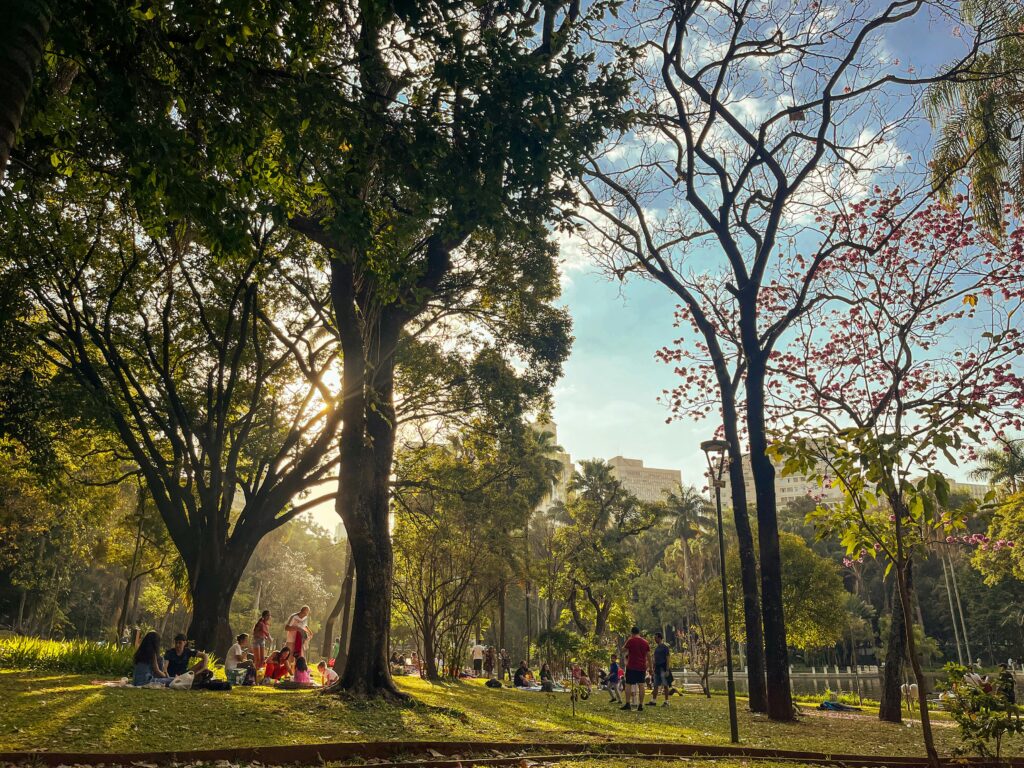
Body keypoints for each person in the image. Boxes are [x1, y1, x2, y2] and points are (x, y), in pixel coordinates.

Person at [620, 626, 651, 712]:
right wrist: (651, 668)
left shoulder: (631, 640)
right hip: (641, 667)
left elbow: (622, 650)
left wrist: (628, 640)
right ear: (639, 632)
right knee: (641, 685)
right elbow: (649, 656)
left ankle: (627, 704)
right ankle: (640, 705)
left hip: (632, 666)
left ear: (632, 633)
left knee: (628, 684)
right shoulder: (645, 642)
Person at [651, 632, 672, 706]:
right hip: (657, 668)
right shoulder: (656, 648)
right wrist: (653, 668)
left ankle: (666, 701)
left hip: (663, 668)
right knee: (655, 685)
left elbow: (668, 658)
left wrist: (667, 670)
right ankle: (653, 701)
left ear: (660, 638)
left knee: (665, 685)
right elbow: (654, 659)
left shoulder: (665, 647)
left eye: (656, 638)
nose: (655, 639)